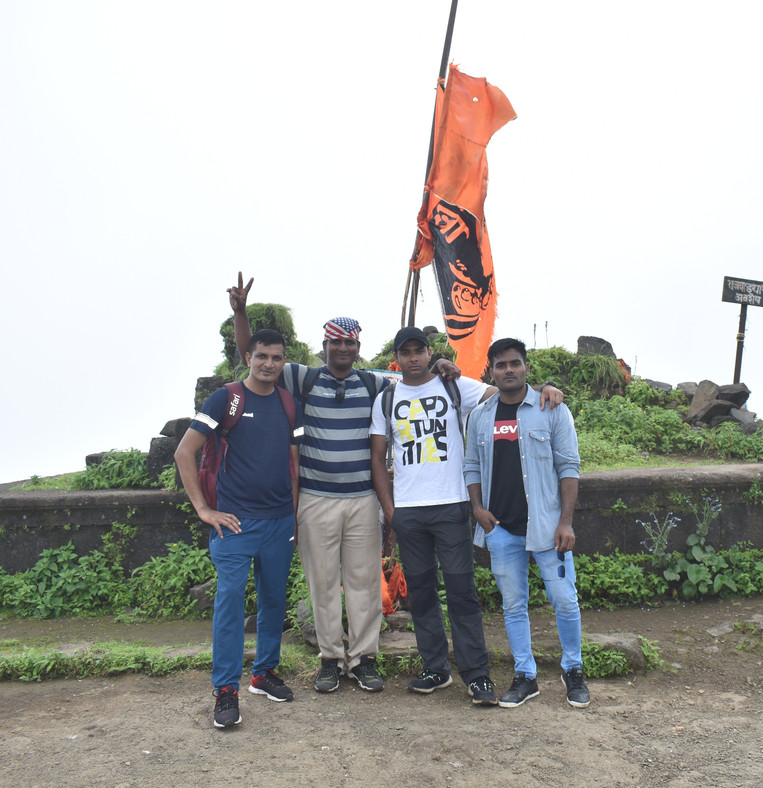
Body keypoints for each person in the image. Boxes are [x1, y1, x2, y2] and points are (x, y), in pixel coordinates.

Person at [228, 274, 459, 696]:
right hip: (316, 499)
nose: (343, 349)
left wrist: (443, 365)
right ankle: (331, 658)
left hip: (362, 500)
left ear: (358, 347)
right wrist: (241, 312)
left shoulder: (374, 385)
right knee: (321, 581)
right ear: (325, 346)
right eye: (336, 342)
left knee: (365, 580)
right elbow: (251, 354)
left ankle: (364, 658)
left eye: (350, 343)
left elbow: (416, 379)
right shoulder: (303, 379)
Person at [370, 327, 563, 706]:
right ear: (397, 357)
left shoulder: (454, 386)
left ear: (430, 353)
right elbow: (378, 458)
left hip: (451, 505)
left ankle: (477, 676)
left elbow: (506, 392)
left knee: (462, 593)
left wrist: (545, 389)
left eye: (420, 351)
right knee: (422, 594)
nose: (413, 358)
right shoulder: (387, 398)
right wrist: (391, 510)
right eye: (405, 352)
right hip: (408, 511)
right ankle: (435, 668)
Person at [174, 328, 303, 729]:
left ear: (284, 361)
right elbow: (185, 452)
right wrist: (204, 510)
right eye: (261, 356)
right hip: (234, 521)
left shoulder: (287, 403)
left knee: (273, 601)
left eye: (276, 358)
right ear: (249, 357)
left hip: (279, 520)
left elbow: (293, 464)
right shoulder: (226, 399)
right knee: (229, 601)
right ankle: (226, 690)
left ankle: (263, 674)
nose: (268, 364)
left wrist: (293, 516)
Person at [463, 337, 590, 709]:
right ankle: (525, 676)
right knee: (513, 604)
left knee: (565, 601)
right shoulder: (481, 416)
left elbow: (569, 467)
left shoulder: (551, 409)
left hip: (548, 527)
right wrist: (477, 509)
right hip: (500, 528)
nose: (508, 370)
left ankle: (573, 670)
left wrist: (566, 522)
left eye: (514, 363)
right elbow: (472, 465)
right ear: (491, 371)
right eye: (500, 365)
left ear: (526, 368)